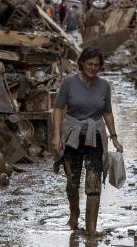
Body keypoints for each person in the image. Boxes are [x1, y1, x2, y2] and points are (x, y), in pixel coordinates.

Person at [51, 47, 123, 234]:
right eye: (89, 64)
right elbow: (58, 109)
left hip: (95, 136)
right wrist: (56, 135)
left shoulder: (104, 85)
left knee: (93, 184)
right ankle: (74, 215)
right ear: (82, 63)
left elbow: (107, 112)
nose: (93, 68)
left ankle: (91, 229)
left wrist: (114, 138)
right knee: (72, 183)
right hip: (72, 136)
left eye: (97, 65)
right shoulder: (69, 83)